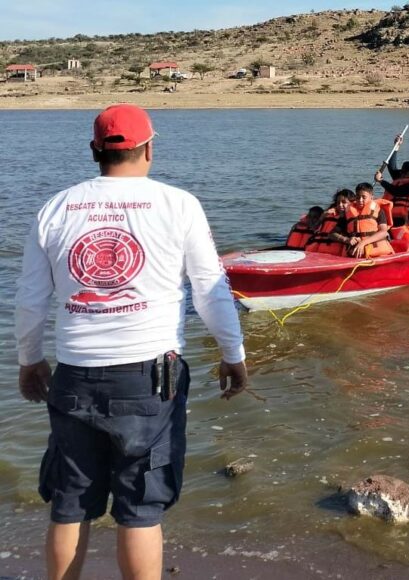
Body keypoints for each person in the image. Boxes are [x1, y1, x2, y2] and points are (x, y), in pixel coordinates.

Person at [14, 104, 248, 580]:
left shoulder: (55, 207)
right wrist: (232, 355)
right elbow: (210, 290)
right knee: (140, 506)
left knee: (70, 501)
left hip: (74, 373)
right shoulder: (178, 204)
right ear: (149, 148)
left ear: (93, 151)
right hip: (149, 380)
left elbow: (30, 301)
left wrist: (29, 360)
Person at [329, 182, 394, 258]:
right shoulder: (348, 212)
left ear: (371, 197)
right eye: (358, 197)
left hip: (377, 253)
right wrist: (346, 239)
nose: (360, 200)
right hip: (354, 253)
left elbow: (383, 232)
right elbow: (332, 234)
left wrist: (363, 243)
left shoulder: (379, 211)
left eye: (364, 197)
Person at [374, 162, 409, 227]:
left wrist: (381, 181)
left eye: (402, 172)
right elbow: (392, 167)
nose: (400, 174)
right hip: (396, 217)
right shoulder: (401, 180)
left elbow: (397, 191)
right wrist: (395, 151)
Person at [306, 190, 354, 255]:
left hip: (337, 255)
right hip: (318, 252)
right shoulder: (329, 214)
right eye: (338, 203)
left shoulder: (353, 218)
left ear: (352, 203)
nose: (340, 205)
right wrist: (322, 217)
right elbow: (313, 228)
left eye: (344, 202)